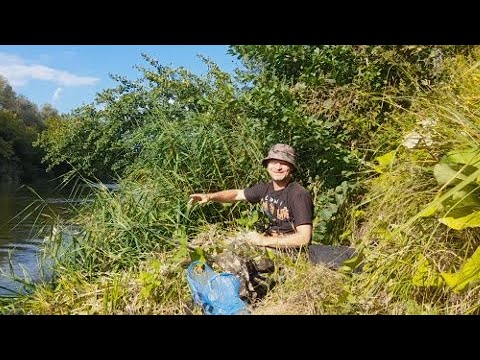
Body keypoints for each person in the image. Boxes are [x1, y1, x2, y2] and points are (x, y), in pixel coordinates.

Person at [189, 143, 314, 250]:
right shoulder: (266, 188)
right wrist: (209, 196)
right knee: (218, 245)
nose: (278, 167)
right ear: (267, 165)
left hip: (288, 251)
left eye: (283, 163)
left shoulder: (298, 194)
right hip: (269, 242)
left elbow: (304, 238)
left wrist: (262, 241)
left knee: (232, 256)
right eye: (274, 162)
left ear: (291, 168)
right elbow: (236, 194)